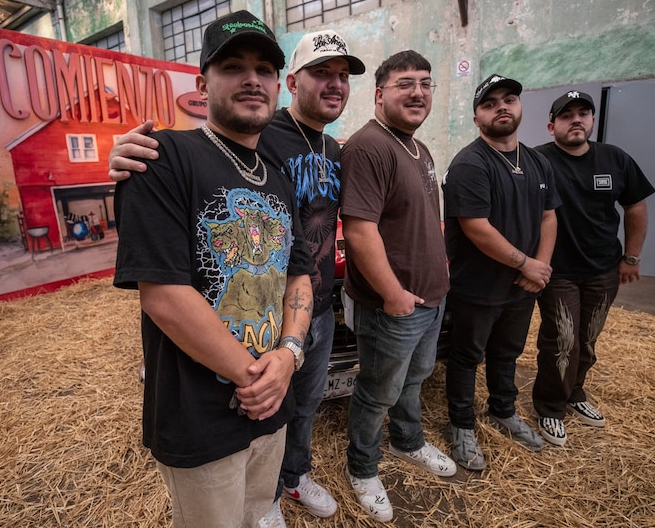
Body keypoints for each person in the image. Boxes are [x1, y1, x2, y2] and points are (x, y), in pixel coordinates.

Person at [110, 29, 367, 525]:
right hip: (201, 410)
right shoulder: (163, 158)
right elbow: (162, 295)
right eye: (232, 67)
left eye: (263, 70)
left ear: (277, 85)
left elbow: (298, 270)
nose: (252, 80)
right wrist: (257, 379)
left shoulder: (276, 173)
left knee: (260, 511)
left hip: (272, 395)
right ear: (201, 86)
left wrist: (288, 357)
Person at [339, 50, 456, 523]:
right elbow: (359, 231)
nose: (418, 92)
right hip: (395, 306)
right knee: (376, 391)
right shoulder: (369, 146)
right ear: (380, 93)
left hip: (430, 298)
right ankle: (362, 467)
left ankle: (408, 442)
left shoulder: (417, 147)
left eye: (426, 83)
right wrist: (393, 295)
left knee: (414, 378)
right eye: (405, 83)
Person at [441, 74, 560, 471]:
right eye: (490, 103)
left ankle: (503, 411)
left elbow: (548, 217)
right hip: (478, 286)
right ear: (477, 117)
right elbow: (477, 228)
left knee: (507, 352)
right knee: (466, 356)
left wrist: (538, 270)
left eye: (509, 99)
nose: (502, 107)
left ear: (522, 107)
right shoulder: (470, 163)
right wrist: (527, 264)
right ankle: (460, 425)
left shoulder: (538, 161)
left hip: (523, 285)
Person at [532, 91, 655, 446]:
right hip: (558, 272)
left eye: (583, 113)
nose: (577, 120)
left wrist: (631, 258)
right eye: (567, 115)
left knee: (587, 338)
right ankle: (550, 408)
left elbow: (635, 207)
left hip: (603, 269)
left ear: (592, 120)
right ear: (552, 124)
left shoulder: (615, 159)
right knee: (563, 339)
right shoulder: (539, 161)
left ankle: (575, 392)